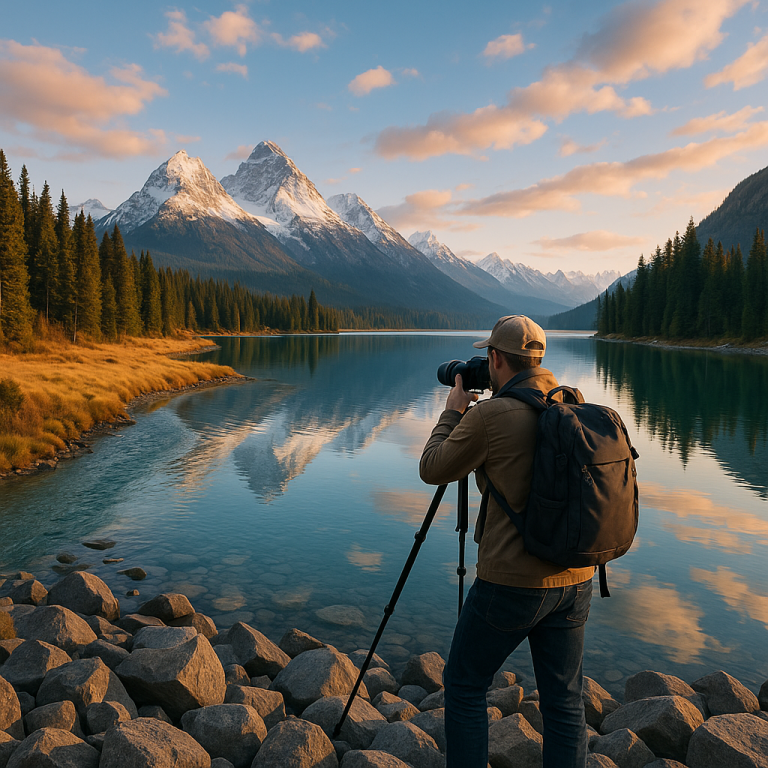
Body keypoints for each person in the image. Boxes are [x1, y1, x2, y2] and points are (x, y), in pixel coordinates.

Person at [420, 315, 595, 768]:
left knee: (464, 684)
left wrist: (453, 411)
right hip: (576, 579)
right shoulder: (571, 402)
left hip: (510, 583)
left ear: (496, 358)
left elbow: (433, 468)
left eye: (487, 358)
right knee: (564, 702)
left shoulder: (491, 415)